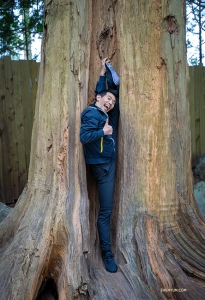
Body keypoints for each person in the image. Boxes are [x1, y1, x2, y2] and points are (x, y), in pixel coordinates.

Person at [80, 58, 120, 273]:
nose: (110, 102)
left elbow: (105, 97)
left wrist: (103, 74)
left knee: (117, 96)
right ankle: (107, 255)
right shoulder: (91, 113)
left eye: (111, 101)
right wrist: (103, 132)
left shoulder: (102, 110)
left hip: (108, 159)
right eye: (108, 99)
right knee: (106, 212)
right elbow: (84, 136)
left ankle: (111, 78)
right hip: (103, 166)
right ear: (97, 98)